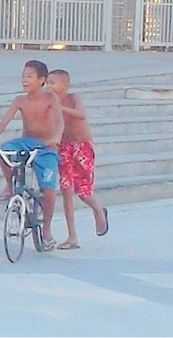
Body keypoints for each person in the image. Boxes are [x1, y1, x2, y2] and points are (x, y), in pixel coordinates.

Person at [0, 60, 63, 251]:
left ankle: (47, 230)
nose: (25, 80)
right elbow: (4, 123)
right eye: (23, 76)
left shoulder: (50, 98)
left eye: (30, 76)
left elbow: (59, 122)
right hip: (26, 141)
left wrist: (56, 137)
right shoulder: (20, 100)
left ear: (42, 80)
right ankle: (10, 185)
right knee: (3, 150)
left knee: (49, 191)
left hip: (46, 146)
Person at [46, 69, 108, 250]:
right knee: (66, 190)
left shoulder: (74, 99)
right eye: (47, 83)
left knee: (84, 192)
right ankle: (72, 236)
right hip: (64, 148)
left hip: (82, 146)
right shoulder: (50, 103)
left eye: (53, 83)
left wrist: (60, 107)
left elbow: (80, 115)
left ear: (64, 86)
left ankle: (98, 210)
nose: (49, 86)